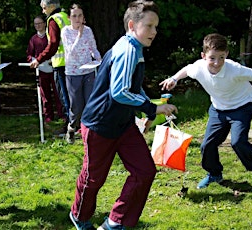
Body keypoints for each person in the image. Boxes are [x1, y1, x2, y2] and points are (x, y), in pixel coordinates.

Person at [69, 1, 178, 229]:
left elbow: (133, 88)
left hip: (124, 125)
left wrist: (148, 110)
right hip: (99, 125)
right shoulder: (127, 50)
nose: (154, 32)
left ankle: (115, 223)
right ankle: (80, 216)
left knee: (144, 171)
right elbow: (119, 92)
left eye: (156, 27)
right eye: (149, 26)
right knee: (93, 179)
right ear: (132, 25)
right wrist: (152, 108)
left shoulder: (135, 47)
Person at [160, 33, 252, 193]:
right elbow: (187, 70)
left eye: (222, 57)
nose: (217, 63)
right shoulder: (199, 67)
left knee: (238, 142)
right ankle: (214, 173)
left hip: (242, 107)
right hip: (218, 109)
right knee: (207, 145)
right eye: (212, 58)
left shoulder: (235, 69)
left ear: (227, 55)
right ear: (203, 56)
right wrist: (174, 79)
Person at [61, 3, 101, 144]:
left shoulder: (88, 30)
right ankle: (71, 127)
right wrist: (79, 34)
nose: (77, 19)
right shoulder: (66, 31)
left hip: (89, 71)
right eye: (74, 16)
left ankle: (89, 133)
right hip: (73, 73)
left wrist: (99, 59)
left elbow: (93, 48)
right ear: (69, 17)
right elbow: (71, 52)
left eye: (80, 16)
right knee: (76, 106)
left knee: (90, 102)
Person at [31, 0, 71, 134]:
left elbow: (53, 44)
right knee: (72, 95)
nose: (43, 11)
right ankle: (75, 125)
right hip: (73, 61)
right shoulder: (66, 16)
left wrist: (40, 58)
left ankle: (69, 127)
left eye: (44, 8)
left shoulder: (53, 20)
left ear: (51, 6)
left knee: (64, 96)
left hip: (61, 64)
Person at [27, 15, 66, 123]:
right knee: (45, 95)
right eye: (36, 24)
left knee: (59, 93)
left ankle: (62, 114)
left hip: (53, 68)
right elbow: (29, 55)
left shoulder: (50, 36)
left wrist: (50, 60)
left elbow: (54, 48)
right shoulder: (33, 39)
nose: (38, 26)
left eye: (40, 23)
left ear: (44, 23)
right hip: (41, 70)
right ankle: (48, 116)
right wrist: (34, 60)